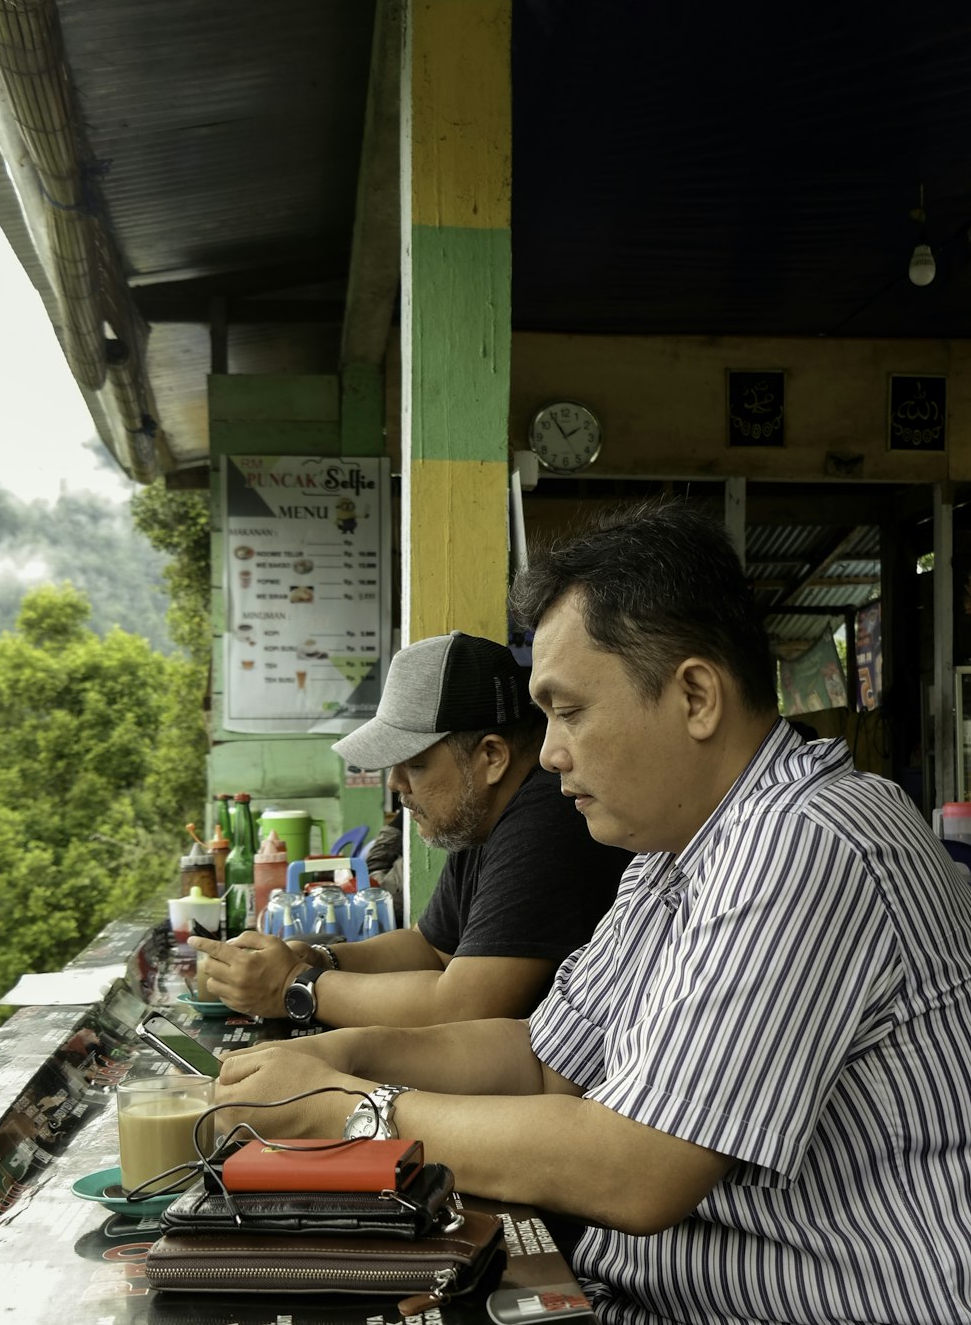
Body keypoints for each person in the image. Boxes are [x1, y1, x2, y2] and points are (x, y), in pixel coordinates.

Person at [215, 501, 971, 1325]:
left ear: (695, 697)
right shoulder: (669, 853)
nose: (548, 753)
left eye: (568, 711)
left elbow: (635, 1168)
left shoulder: (809, 841)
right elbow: (542, 1057)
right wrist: (344, 1051)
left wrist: (352, 1110)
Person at [192, 631, 630, 1029]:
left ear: (492, 757)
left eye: (415, 765)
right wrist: (318, 958)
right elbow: (430, 947)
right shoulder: (484, 814)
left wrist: (294, 987)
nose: (395, 785)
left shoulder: (549, 815)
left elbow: (464, 1005)